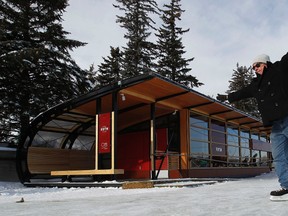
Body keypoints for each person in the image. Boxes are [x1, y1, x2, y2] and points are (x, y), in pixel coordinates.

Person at [216, 53, 288, 201]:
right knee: (279, 156)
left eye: (257, 65)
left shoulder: (279, 70)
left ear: (265, 63)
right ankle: (287, 186)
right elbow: (242, 93)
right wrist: (227, 97)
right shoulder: (256, 85)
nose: (255, 69)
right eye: (253, 67)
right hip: (276, 126)